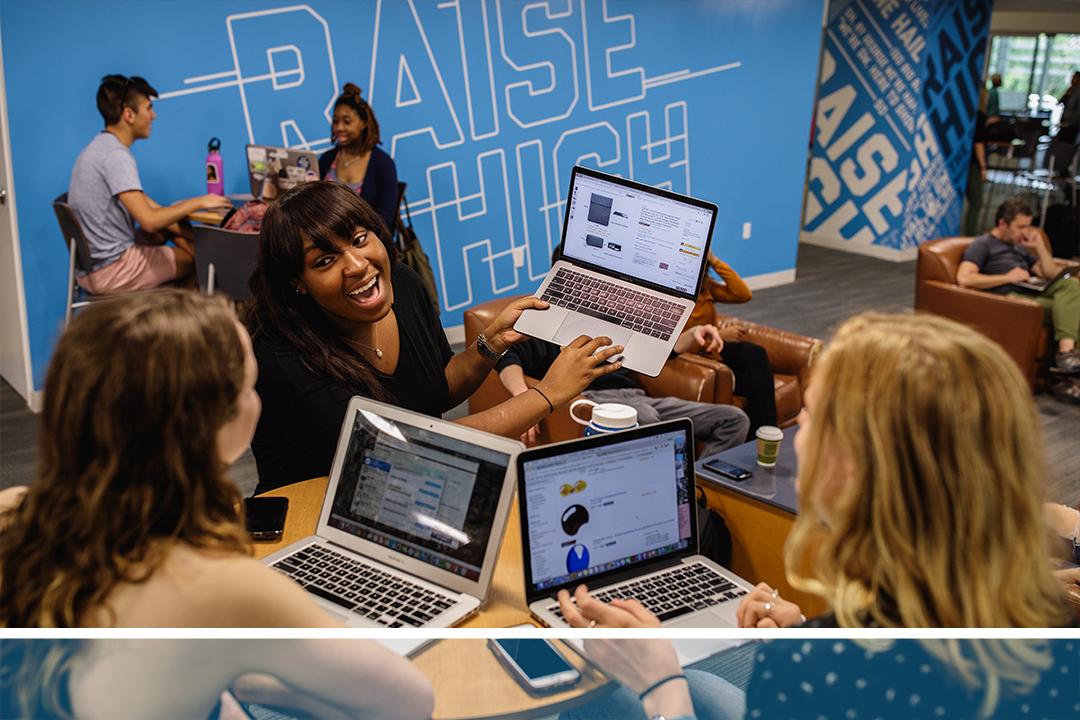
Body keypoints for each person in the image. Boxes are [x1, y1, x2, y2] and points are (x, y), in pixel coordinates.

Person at [557, 311, 1076, 716]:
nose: (798, 424)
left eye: (815, 412)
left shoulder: (818, 669)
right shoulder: (1048, 614)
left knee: (606, 690)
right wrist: (806, 627)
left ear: (858, 464)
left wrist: (663, 687)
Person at [0, 290, 433, 718]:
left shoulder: (12, 512)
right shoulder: (224, 585)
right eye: (249, 384)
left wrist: (231, 670)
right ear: (212, 427)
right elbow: (410, 702)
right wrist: (261, 673)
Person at [246, 181, 622, 493]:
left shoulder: (404, 286)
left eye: (360, 239)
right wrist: (546, 394)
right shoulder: (281, 356)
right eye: (325, 261)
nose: (357, 265)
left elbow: (437, 389)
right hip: (317, 514)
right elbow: (405, 448)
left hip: (413, 493)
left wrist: (489, 345)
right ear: (296, 282)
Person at [67, 74, 231, 294]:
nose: (153, 116)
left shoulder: (98, 148)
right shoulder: (115, 156)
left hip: (94, 267)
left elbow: (149, 207)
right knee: (206, 266)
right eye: (148, 108)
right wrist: (199, 202)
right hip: (113, 269)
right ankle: (180, 324)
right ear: (129, 115)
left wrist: (188, 233)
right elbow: (150, 221)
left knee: (173, 233)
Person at [496, 330, 749, 456]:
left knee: (734, 419)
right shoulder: (548, 329)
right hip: (593, 400)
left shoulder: (613, 321)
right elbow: (507, 355)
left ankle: (696, 490)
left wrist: (695, 333)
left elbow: (661, 351)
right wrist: (523, 398)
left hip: (639, 397)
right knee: (647, 419)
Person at [956, 196, 1080, 380]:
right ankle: (1066, 356)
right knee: (1070, 305)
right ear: (1002, 224)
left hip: (1029, 292)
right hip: (1008, 297)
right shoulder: (983, 244)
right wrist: (1007, 277)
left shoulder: (1019, 247)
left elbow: (1049, 272)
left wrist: (1039, 246)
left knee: (1071, 285)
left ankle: (1066, 363)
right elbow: (964, 278)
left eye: (1028, 227)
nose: (1025, 232)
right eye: (1020, 227)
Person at [687, 253, 778, 437]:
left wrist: (714, 260)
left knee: (754, 353)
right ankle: (759, 434)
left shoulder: (706, 288)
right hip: (697, 356)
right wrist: (719, 335)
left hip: (713, 349)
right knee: (754, 378)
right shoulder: (678, 298)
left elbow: (743, 293)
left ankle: (767, 430)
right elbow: (680, 342)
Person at [319, 82, 399, 232]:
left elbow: (385, 222)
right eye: (335, 121)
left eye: (347, 121)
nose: (339, 128)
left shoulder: (383, 164)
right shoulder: (326, 159)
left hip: (365, 246)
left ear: (363, 123)